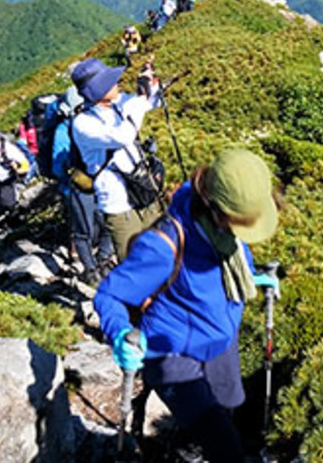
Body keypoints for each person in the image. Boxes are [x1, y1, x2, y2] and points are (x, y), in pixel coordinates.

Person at [94, 148, 282, 463]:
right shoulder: (164, 245)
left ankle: (188, 447)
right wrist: (120, 333)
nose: (244, 231)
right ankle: (189, 451)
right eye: (240, 222)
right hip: (172, 351)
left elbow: (231, 262)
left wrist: (253, 276)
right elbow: (109, 295)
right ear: (216, 207)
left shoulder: (226, 229)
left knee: (230, 403)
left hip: (219, 338)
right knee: (225, 445)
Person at [68, 57, 165, 259]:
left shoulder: (118, 103)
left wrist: (148, 83)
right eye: (109, 81)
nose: (117, 83)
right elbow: (123, 136)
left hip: (142, 190)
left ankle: (166, 289)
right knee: (134, 260)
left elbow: (151, 102)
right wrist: (139, 103)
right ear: (97, 91)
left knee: (163, 251)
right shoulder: (83, 124)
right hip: (118, 204)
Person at [50, 85, 112, 285]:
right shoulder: (85, 123)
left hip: (78, 186)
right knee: (104, 223)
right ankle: (101, 262)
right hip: (99, 182)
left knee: (82, 230)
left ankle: (92, 269)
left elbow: (58, 166)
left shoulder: (64, 129)